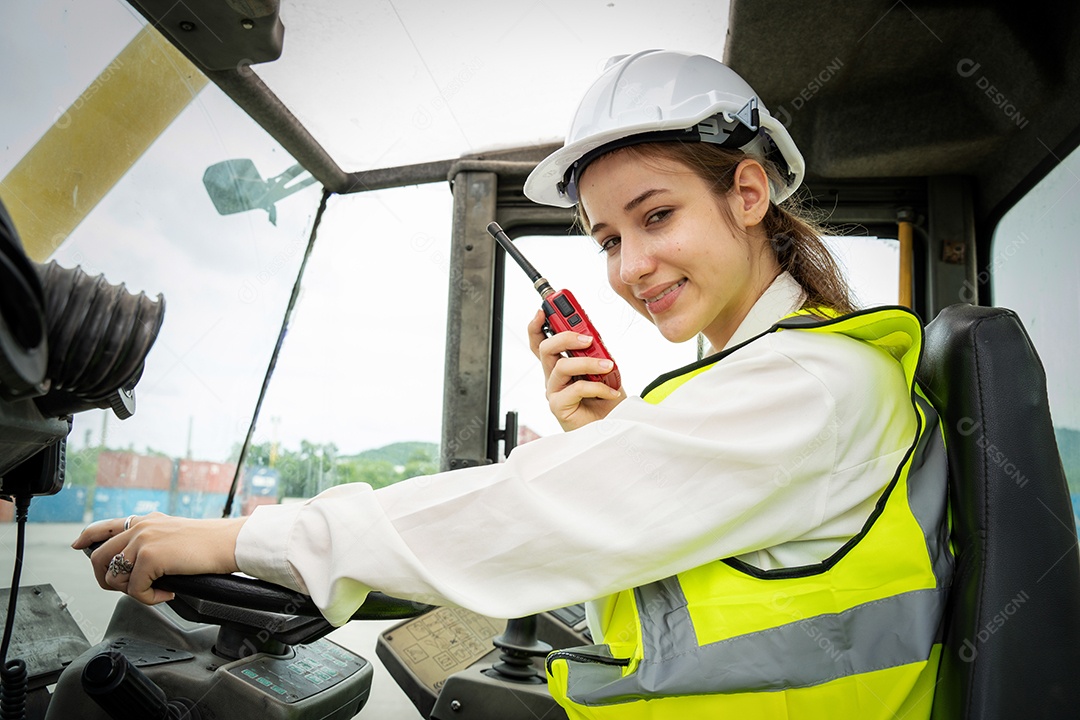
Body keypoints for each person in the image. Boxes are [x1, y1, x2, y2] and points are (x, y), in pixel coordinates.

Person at [75, 50, 952, 719]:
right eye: (608, 239)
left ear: (749, 193)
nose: (633, 267)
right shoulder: (772, 377)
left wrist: (239, 541)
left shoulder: (808, 382)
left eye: (657, 216)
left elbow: (521, 511)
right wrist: (609, 435)